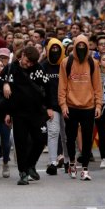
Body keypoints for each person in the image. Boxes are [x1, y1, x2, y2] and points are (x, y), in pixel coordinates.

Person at [2, 45, 49, 185]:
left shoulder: (39, 69)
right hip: (19, 112)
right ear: (22, 55)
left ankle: (30, 165)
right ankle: (23, 172)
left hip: (37, 112)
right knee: (21, 143)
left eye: (31, 63)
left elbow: (47, 87)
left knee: (41, 139)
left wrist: (50, 107)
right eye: (27, 61)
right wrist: (5, 84)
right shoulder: (11, 68)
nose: (28, 64)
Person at [58, 34, 103, 181]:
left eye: (84, 46)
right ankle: (71, 162)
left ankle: (84, 169)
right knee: (70, 138)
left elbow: (97, 85)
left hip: (88, 106)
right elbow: (62, 86)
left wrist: (98, 105)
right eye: (79, 46)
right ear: (75, 47)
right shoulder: (66, 62)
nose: (82, 49)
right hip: (71, 106)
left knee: (87, 138)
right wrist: (63, 105)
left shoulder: (93, 63)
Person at [41, 38, 68, 175]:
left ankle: (68, 160)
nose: (55, 51)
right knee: (52, 132)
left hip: (67, 105)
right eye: (53, 49)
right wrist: (46, 107)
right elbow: (41, 88)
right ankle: (52, 162)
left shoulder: (66, 64)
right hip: (51, 106)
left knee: (66, 134)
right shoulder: (43, 66)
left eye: (58, 49)